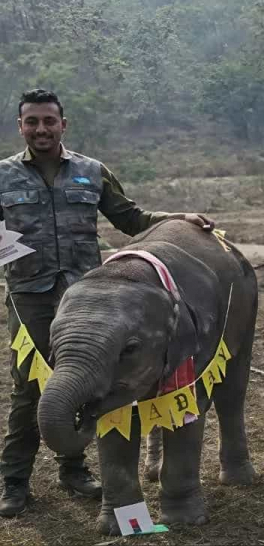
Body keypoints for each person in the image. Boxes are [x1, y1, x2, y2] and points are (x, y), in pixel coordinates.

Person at [0, 89, 215, 517]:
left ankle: (74, 469)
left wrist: (178, 218)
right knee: (30, 389)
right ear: (20, 126)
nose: (41, 129)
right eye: (32, 122)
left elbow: (131, 219)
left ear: (64, 125)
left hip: (89, 301)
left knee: (95, 384)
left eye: (48, 121)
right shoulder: (2, 176)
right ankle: (13, 482)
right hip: (31, 299)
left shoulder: (92, 171)